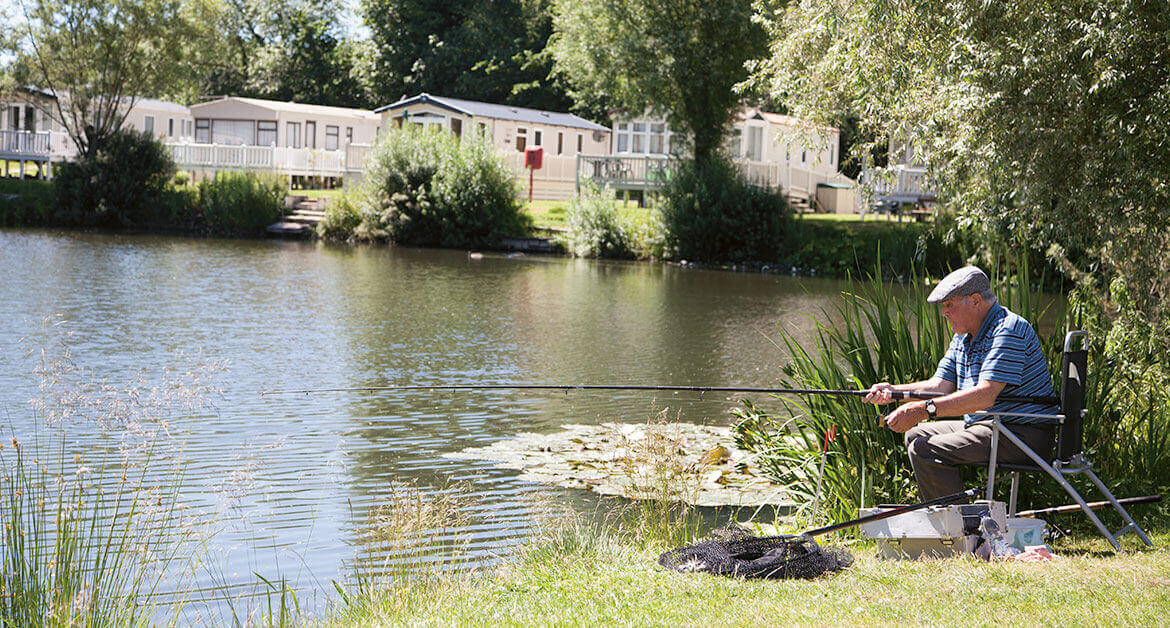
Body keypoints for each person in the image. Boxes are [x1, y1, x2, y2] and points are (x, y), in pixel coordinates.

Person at [863, 266, 1058, 499]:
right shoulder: (964, 337)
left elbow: (985, 396)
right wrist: (893, 391)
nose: (943, 313)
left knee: (924, 449)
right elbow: (939, 386)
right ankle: (951, 514)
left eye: (949, 305)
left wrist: (922, 410)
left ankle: (961, 519)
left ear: (975, 301)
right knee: (914, 435)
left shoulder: (1009, 329)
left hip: (1023, 434)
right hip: (990, 425)